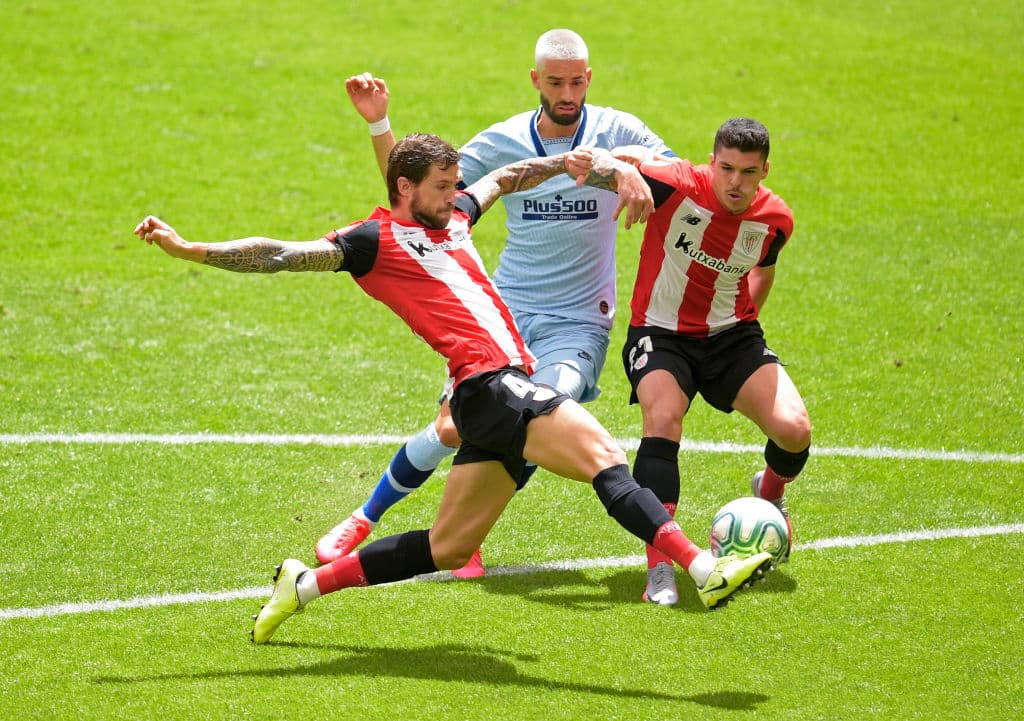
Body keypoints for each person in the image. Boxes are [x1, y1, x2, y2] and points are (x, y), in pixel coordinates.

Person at [134, 134, 774, 644]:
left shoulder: (458, 215)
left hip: (493, 395)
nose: (454, 195)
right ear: (404, 187)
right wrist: (191, 250)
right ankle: (704, 569)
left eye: (455, 183)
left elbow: (507, 178)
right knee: (605, 456)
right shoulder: (372, 241)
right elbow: (278, 254)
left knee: (448, 547)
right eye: (442, 187)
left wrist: (569, 162)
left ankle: (303, 587)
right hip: (489, 385)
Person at [316, 29, 680, 601]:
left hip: (577, 322)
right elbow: (415, 199)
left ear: (590, 77)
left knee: (543, 408)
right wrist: (379, 124)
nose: (567, 93)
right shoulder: (502, 141)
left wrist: (623, 163)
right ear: (535, 80)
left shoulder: (619, 131)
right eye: (555, 82)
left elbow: (680, 176)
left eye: (577, 81)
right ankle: (367, 516)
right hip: (497, 316)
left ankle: (466, 531)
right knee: (451, 429)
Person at [581, 117, 811, 601]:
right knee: (663, 419)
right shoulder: (674, 183)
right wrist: (622, 171)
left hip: (732, 337)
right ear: (711, 162)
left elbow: (763, 270)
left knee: (794, 431)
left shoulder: (775, 221)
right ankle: (660, 569)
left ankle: (769, 493)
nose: (735, 182)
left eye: (748, 172)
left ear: (765, 171)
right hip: (660, 334)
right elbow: (585, 162)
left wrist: (744, 321)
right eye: (726, 168)